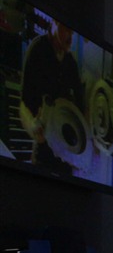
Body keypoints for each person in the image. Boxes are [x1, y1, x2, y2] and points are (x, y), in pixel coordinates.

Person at [19, 20, 84, 175]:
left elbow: (80, 102)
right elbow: (24, 102)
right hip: (43, 147)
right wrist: (33, 124)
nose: (70, 37)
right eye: (67, 29)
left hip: (67, 152)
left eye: (72, 33)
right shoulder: (38, 48)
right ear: (55, 23)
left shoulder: (70, 61)